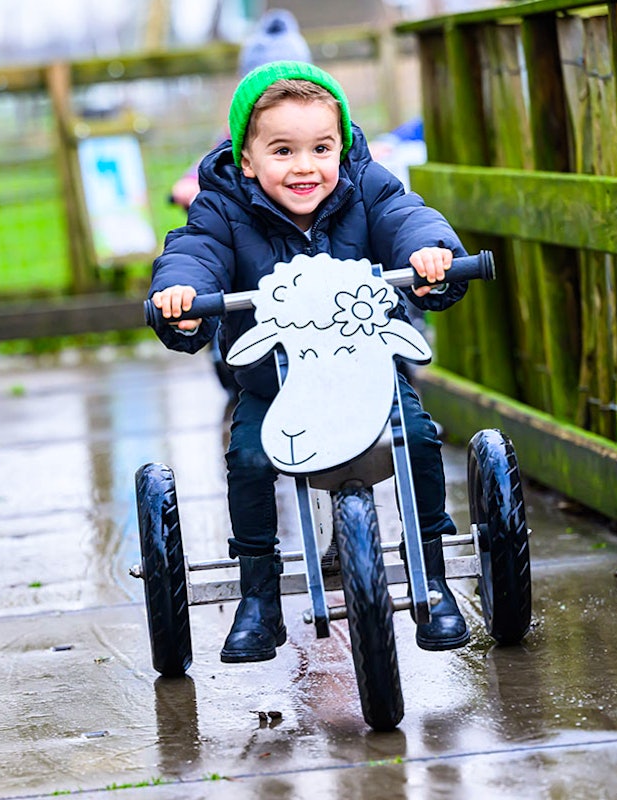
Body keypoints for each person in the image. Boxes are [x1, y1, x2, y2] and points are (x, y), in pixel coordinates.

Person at [147, 62, 471, 664]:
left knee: (418, 440)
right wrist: (183, 298)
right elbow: (195, 253)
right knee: (247, 457)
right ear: (246, 159)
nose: (305, 166)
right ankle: (259, 598)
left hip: (367, 378)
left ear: (342, 146)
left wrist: (431, 256)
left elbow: (406, 218)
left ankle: (434, 578)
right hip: (276, 386)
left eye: (321, 148)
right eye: (282, 150)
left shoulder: (366, 187)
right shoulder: (223, 209)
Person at [169, 9, 311, 406]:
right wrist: (188, 185)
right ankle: (230, 356)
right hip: (251, 242)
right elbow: (207, 165)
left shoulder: (321, 132)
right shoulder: (233, 139)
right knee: (229, 276)